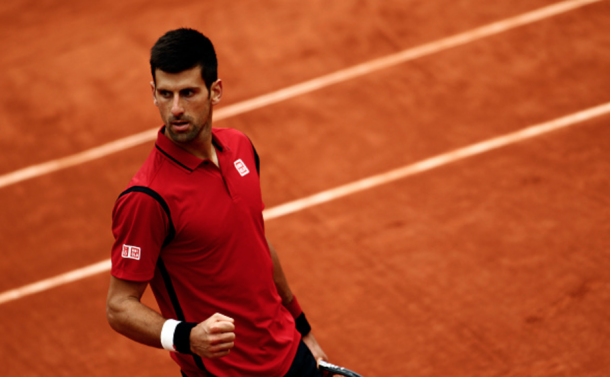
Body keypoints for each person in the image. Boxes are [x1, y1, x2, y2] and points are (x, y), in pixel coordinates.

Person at [106, 28, 327, 377]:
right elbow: (119, 307)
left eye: (188, 93)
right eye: (165, 94)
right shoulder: (147, 198)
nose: (175, 109)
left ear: (216, 91)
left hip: (289, 355)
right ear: (153, 94)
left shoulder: (240, 147)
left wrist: (303, 328)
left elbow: (255, 241)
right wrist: (186, 336)